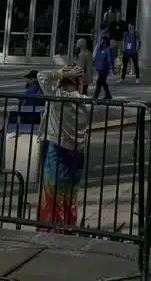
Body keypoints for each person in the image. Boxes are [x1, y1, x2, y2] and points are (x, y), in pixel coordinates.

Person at [36, 65, 88, 227]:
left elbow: (42, 76)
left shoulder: (57, 97)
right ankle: (68, 226)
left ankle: (51, 228)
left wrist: (60, 72)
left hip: (57, 149)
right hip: (77, 152)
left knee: (52, 193)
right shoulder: (86, 102)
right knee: (70, 195)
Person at [91, 36, 115, 102]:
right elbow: (97, 57)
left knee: (99, 82)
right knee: (103, 82)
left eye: (103, 40)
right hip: (100, 68)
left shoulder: (108, 49)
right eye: (102, 40)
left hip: (104, 69)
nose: (102, 42)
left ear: (106, 42)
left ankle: (95, 97)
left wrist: (111, 68)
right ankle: (108, 95)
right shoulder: (100, 48)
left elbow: (110, 59)